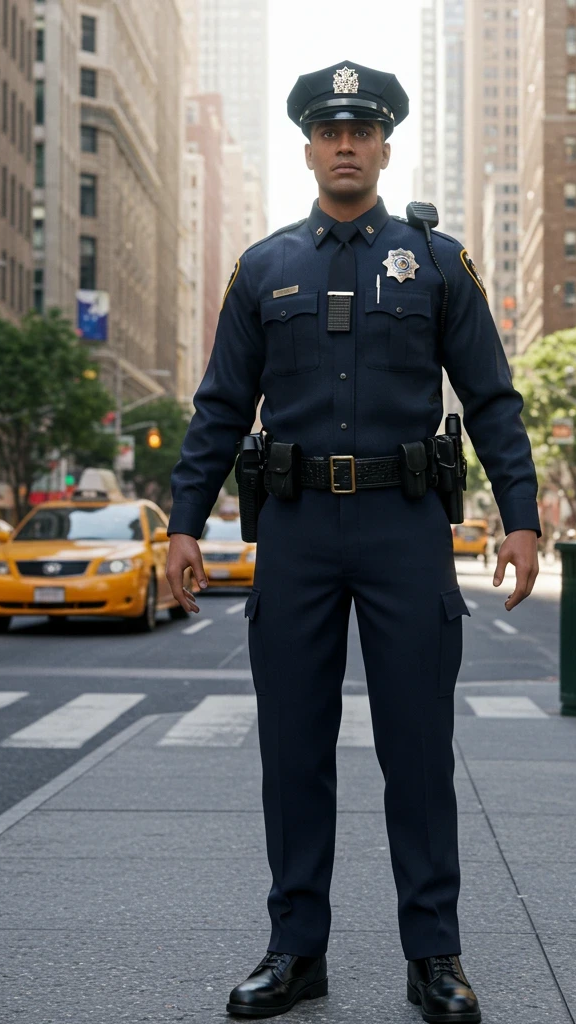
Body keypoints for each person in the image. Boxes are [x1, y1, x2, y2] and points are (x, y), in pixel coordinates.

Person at [164, 62, 539, 1023]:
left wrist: (525, 515)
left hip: (405, 530)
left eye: (361, 130)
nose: (344, 144)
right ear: (308, 148)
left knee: (418, 748)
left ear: (382, 146)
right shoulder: (263, 268)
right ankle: (296, 951)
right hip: (292, 534)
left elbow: (492, 398)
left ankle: (436, 958)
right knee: (293, 750)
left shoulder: (437, 262)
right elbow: (217, 407)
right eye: (329, 131)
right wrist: (181, 524)